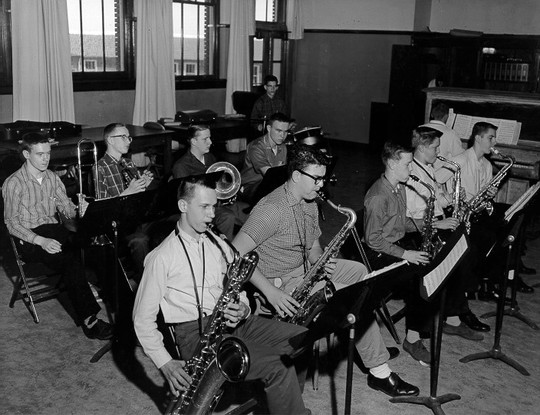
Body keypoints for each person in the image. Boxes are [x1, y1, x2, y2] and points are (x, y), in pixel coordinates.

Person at [233, 144, 419, 398]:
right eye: (316, 179)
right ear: (296, 175)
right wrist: (270, 292)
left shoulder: (309, 201)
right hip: (280, 284)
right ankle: (379, 371)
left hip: (305, 270)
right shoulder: (271, 209)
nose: (321, 185)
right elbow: (235, 254)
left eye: (323, 179)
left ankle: (364, 342)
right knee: (352, 299)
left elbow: (313, 246)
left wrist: (321, 260)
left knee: (359, 272)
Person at [132, 173, 311, 414]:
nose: (211, 215)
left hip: (230, 322)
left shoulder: (216, 243)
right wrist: (165, 363)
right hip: (195, 335)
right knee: (279, 367)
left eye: (214, 206)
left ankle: (285, 404)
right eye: (204, 207)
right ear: (183, 206)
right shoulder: (161, 257)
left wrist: (243, 307)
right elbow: (142, 319)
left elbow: (237, 285)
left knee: (301, 338)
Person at [2, 132, 113, 340]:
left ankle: (113, 296)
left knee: (96, 244)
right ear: (26, 154)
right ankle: (90, 320)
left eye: (48, 153)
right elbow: (12, 224)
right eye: (40, 154)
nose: (46, 158)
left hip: (53, 229)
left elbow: (67, 210)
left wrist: (80, 209)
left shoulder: (52, 177)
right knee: (70, 259)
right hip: (29, 237)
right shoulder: (13, 183)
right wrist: (41, 241)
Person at [404, 128, 487, 365]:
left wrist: (450, 199)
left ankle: (452, 318)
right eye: (435, 147)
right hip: (418, 232)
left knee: (466, 255)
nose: (439, 151)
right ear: (422, 148)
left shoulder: (429, 168)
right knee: (432, 272)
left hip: (435, 223)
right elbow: (410, 216)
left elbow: (436, 199)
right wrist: (438, 223)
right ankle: (413, 337)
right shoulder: (411, 173)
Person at [95, 123, 155, 281]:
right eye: (123, 137)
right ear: (110, 140)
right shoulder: (99, 168)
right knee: (140, 241)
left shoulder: (128, 163)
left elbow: (138, 200)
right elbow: (103, 209)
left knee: (172, 221)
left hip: (135, 218)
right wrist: (129, 191)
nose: (128, 141)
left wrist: (143, 186)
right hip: (118, 224)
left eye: (129, 137)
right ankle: (146, 283)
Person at [172, 125, 248, 241]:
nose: (210, 142)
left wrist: (228, 194)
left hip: (218, 202)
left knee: (250, 211)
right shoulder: (181, 166)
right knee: (227, 217)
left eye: (210, 138)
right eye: (205, 139)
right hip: (201, 208)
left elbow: (219, 182)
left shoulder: (210, 158)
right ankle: (221, 248)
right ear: (194, 141)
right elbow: (187, 197)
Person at [240, 112, 290, 204]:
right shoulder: (256, 147)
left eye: (285, 131)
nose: (282, 135)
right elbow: (269, 175)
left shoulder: (283, 147)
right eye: (278, 131)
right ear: (269, 128)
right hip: (249, 187)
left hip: (268, 186)